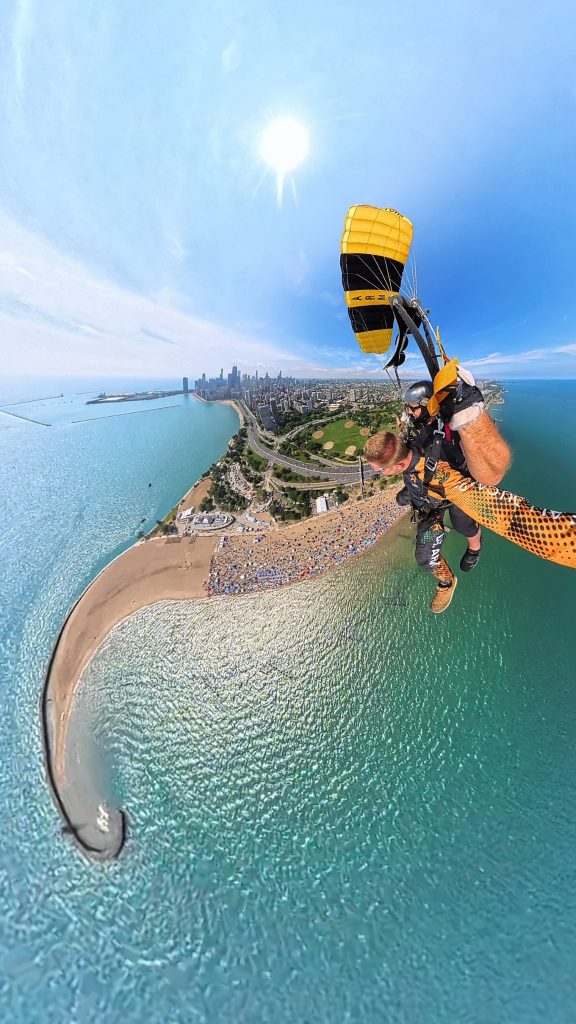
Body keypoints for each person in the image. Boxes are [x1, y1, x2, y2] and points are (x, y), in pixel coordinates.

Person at [365, 375, 511, 613]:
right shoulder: (416, 433)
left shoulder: (449, 429)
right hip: (428, 494)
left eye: (412, 408)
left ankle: (475, 547)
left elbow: (487, 461)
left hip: (455, 488)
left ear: (426, 404)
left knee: (463, 523)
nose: (409, 412)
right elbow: (409, 464)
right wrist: (410, 490)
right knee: (426, 556)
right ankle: (446, 581)